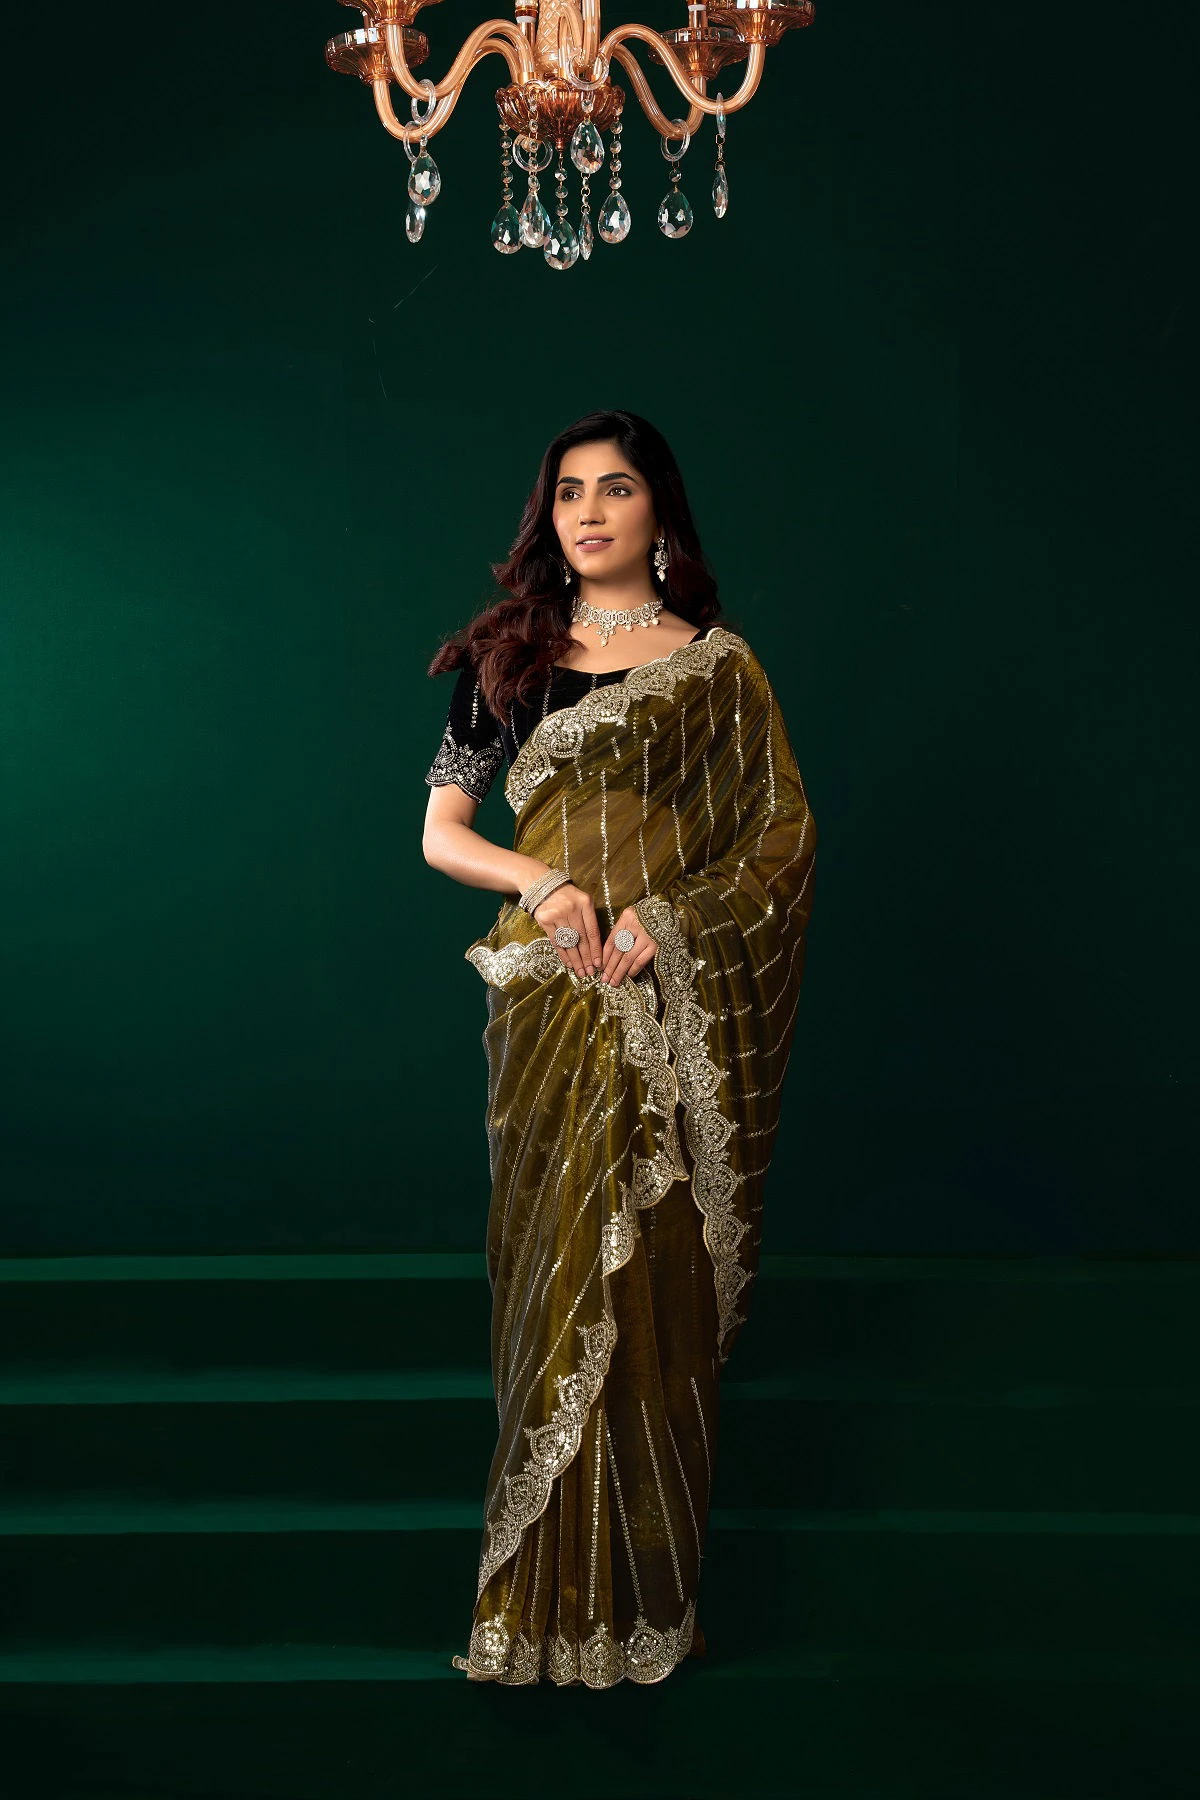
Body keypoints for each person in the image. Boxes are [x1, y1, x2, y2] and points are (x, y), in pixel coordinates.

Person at [422, 409, 817, 1687]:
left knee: (657, 1286)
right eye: (568, 492)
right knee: (553, 1278)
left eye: (617, 488)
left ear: (660, 512)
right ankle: (532, 1614)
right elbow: (441, 831)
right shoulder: (511, 659)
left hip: (666, 1007)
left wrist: (672, 919)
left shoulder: (720, 670)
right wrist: (541, 880)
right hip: (549, 1002)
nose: (588, 511)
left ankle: (649, 1605)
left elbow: (779, 841)